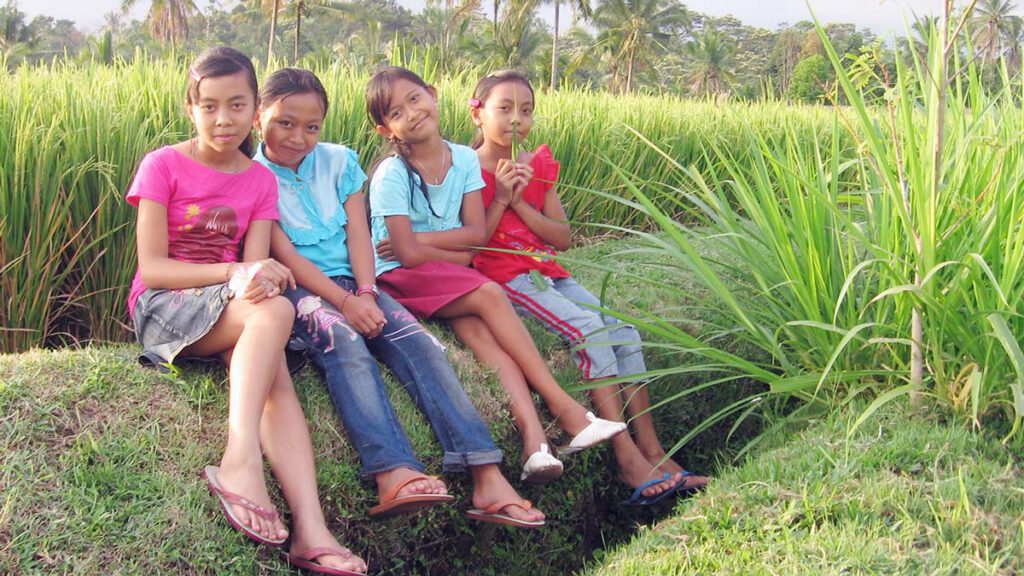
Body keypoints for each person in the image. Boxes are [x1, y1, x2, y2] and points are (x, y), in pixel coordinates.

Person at [254, 67, 545, 529]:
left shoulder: (338, 161)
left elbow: (358, 236)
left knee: (419, 342)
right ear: (258, 120)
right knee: (346, 344)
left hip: (361, 279)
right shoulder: (255, 175)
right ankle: (394, 471)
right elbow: (285, 253)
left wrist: (365, 291)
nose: (298, 137)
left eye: (312, 126)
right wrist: (347, 303)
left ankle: (487, 476)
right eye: (284, 123)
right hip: (302, 289)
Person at [126, 47, 367, 575]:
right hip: (165, 307)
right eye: (209, 106)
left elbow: (255, 261)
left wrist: (254, 273)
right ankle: (240, 458)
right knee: (275, 313)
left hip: (233, 304)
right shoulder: (163, 164)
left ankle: (311, 529)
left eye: (236, 105)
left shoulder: (258, 181)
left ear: (252, 106)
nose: (223, 119)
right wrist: (236, 273)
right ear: (190, 107)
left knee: (273, 360)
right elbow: (155, 267)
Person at [364, 66, 627, 486]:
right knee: (488, 294)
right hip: (399, 275)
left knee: (487, 343)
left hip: (446, 272)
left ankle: (535, 443)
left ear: (432, 94)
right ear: (384, 129)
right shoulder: (391, 175)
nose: (412, 113)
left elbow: (475, 238)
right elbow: (409, 256)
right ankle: (568, 410)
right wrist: (446, 249)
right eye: (396, 112)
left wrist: (431, 242)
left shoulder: (464, 159)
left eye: (415, 99)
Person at [467, 70, 708, 505]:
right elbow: (471, 246)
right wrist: (502, 196)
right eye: (503, 108)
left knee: (623, 329)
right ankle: (625, 455)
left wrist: (522, 200)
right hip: (506, 274)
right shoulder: (466, 170)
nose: (515, 120)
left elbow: (561, 237)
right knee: (586, 327)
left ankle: (654, 450)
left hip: (549, 270)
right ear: (477, 112)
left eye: (526, 110)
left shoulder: (537, 165)